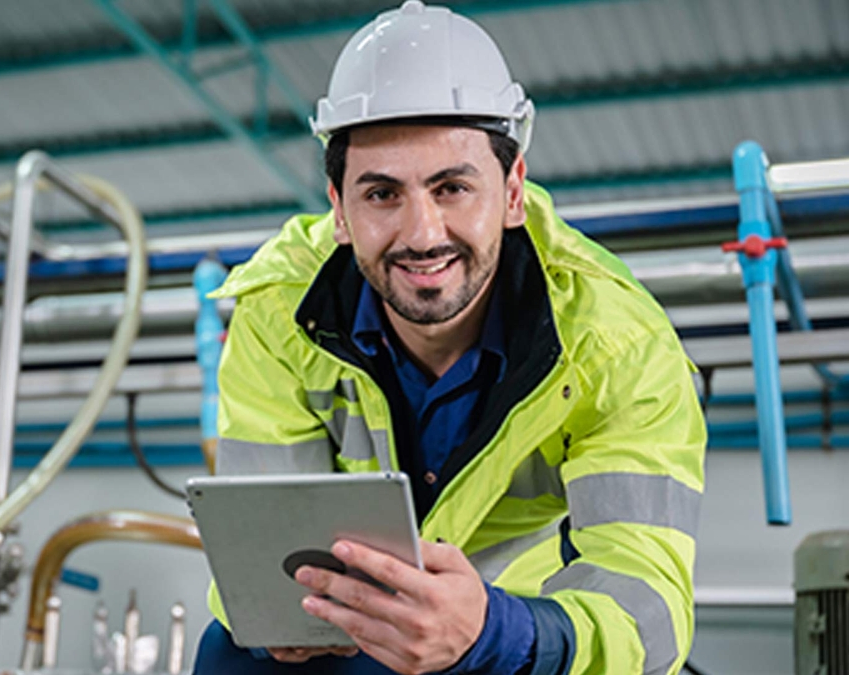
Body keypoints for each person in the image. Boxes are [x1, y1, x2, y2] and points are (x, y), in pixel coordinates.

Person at [191, 1, 706, 673]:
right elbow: (265, 554)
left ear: (513, 190)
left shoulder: (618, 345)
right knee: (231, 654)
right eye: (381, 194)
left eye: (453, 186)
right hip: (358, 626)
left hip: (523, 625)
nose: (423, 233)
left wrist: (497, 631)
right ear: (338, 208)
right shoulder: (278, 311)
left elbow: (647, 612)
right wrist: (270, 620)